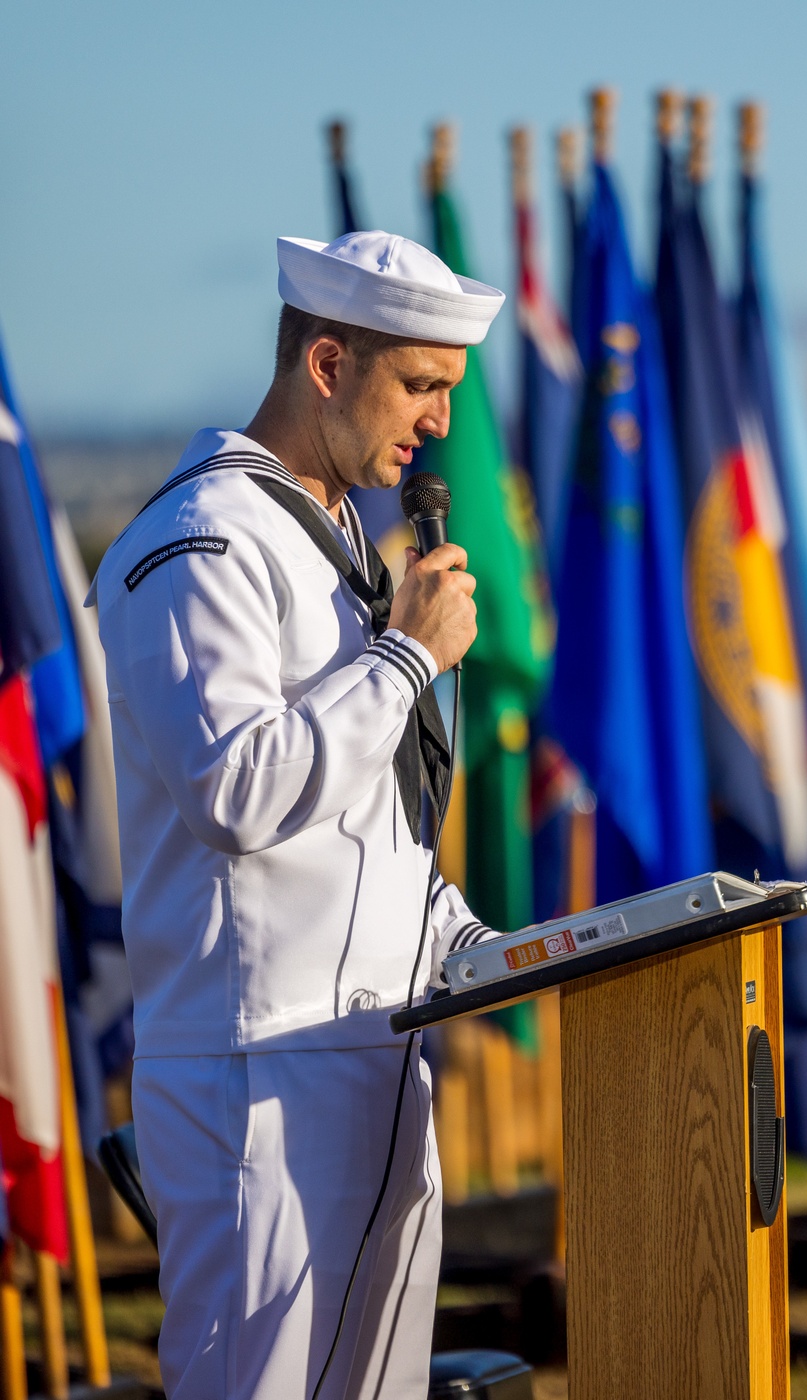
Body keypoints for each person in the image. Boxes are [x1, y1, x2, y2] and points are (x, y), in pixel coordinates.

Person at [87, 231, 505, 1399]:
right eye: (420, 385)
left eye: (449, 394)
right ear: (326, 363)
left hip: (373, 1059)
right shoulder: (198, 538)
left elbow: (365, 833)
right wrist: (405, 656)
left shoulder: (334, 551)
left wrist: (490, 949)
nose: (439, 425)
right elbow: (238, 788)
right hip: (256, 1084)